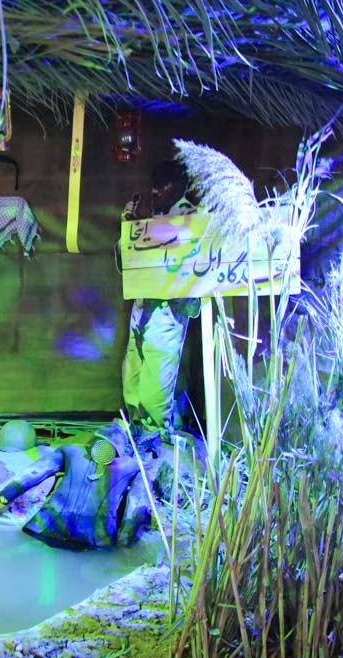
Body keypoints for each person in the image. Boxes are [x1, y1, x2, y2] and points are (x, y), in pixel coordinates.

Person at [120, 160, 201, 450]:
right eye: (154, 185)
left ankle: (155, 437)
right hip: (143, 307)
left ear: (179, 186)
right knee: (133, 373)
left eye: (163, 185)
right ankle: (136, 428)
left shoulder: (188, 217)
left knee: (156, 381)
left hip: (166, 311)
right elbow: (128, 261)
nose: (155, 191)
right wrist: (129, 228)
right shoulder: (153, 218)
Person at [0, 423, 152, 550]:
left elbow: (31, 474)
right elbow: (136, 508)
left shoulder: (71, 451)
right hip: (95, 540)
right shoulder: (135, 467)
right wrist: (126, 545)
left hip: (46, 527)